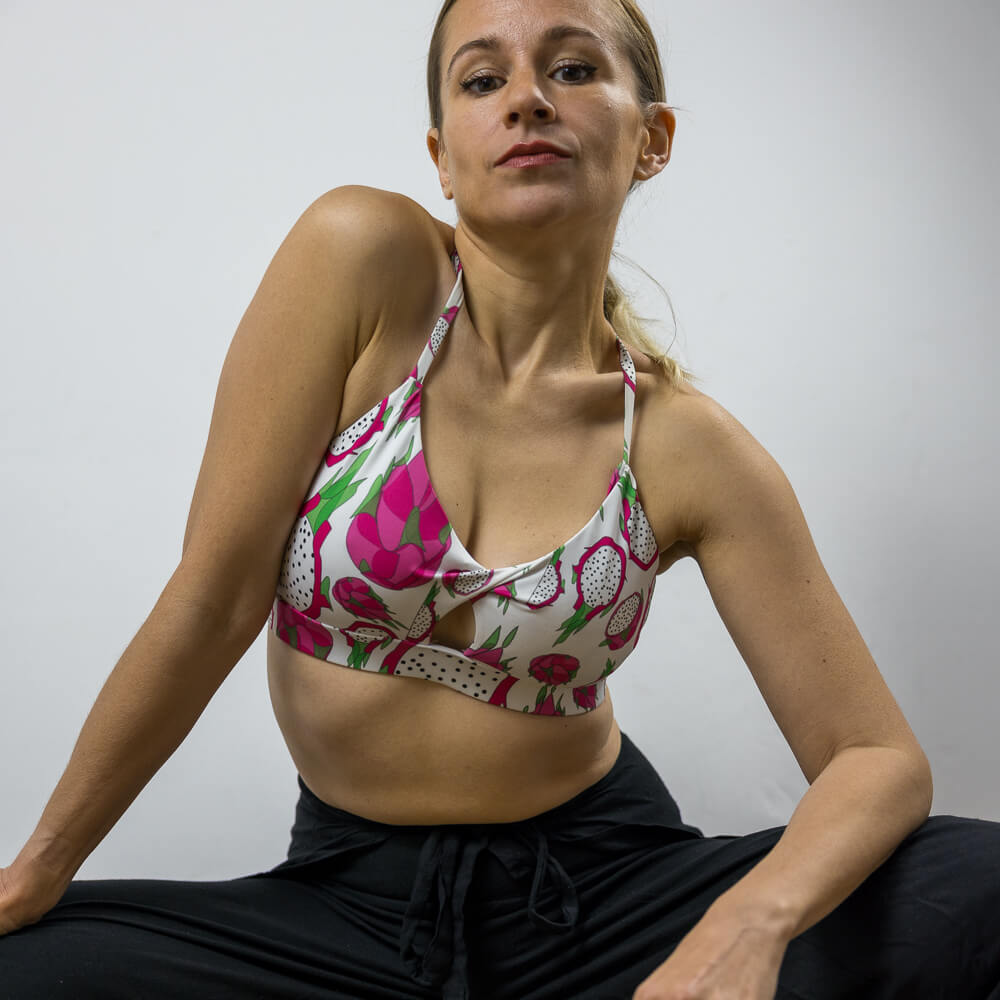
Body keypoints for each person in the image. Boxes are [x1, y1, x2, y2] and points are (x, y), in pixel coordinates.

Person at [2, 0, 998, 997]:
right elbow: (214, 597)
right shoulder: (365, 264)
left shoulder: (682, 444)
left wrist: (745, 927)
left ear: (651, 139)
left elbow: (876, 755)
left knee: (983, 886)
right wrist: (42, 862)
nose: (526, 99)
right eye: (483, 80)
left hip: (599, 906)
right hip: (342, 907)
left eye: (572, 69)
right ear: (442, 156)